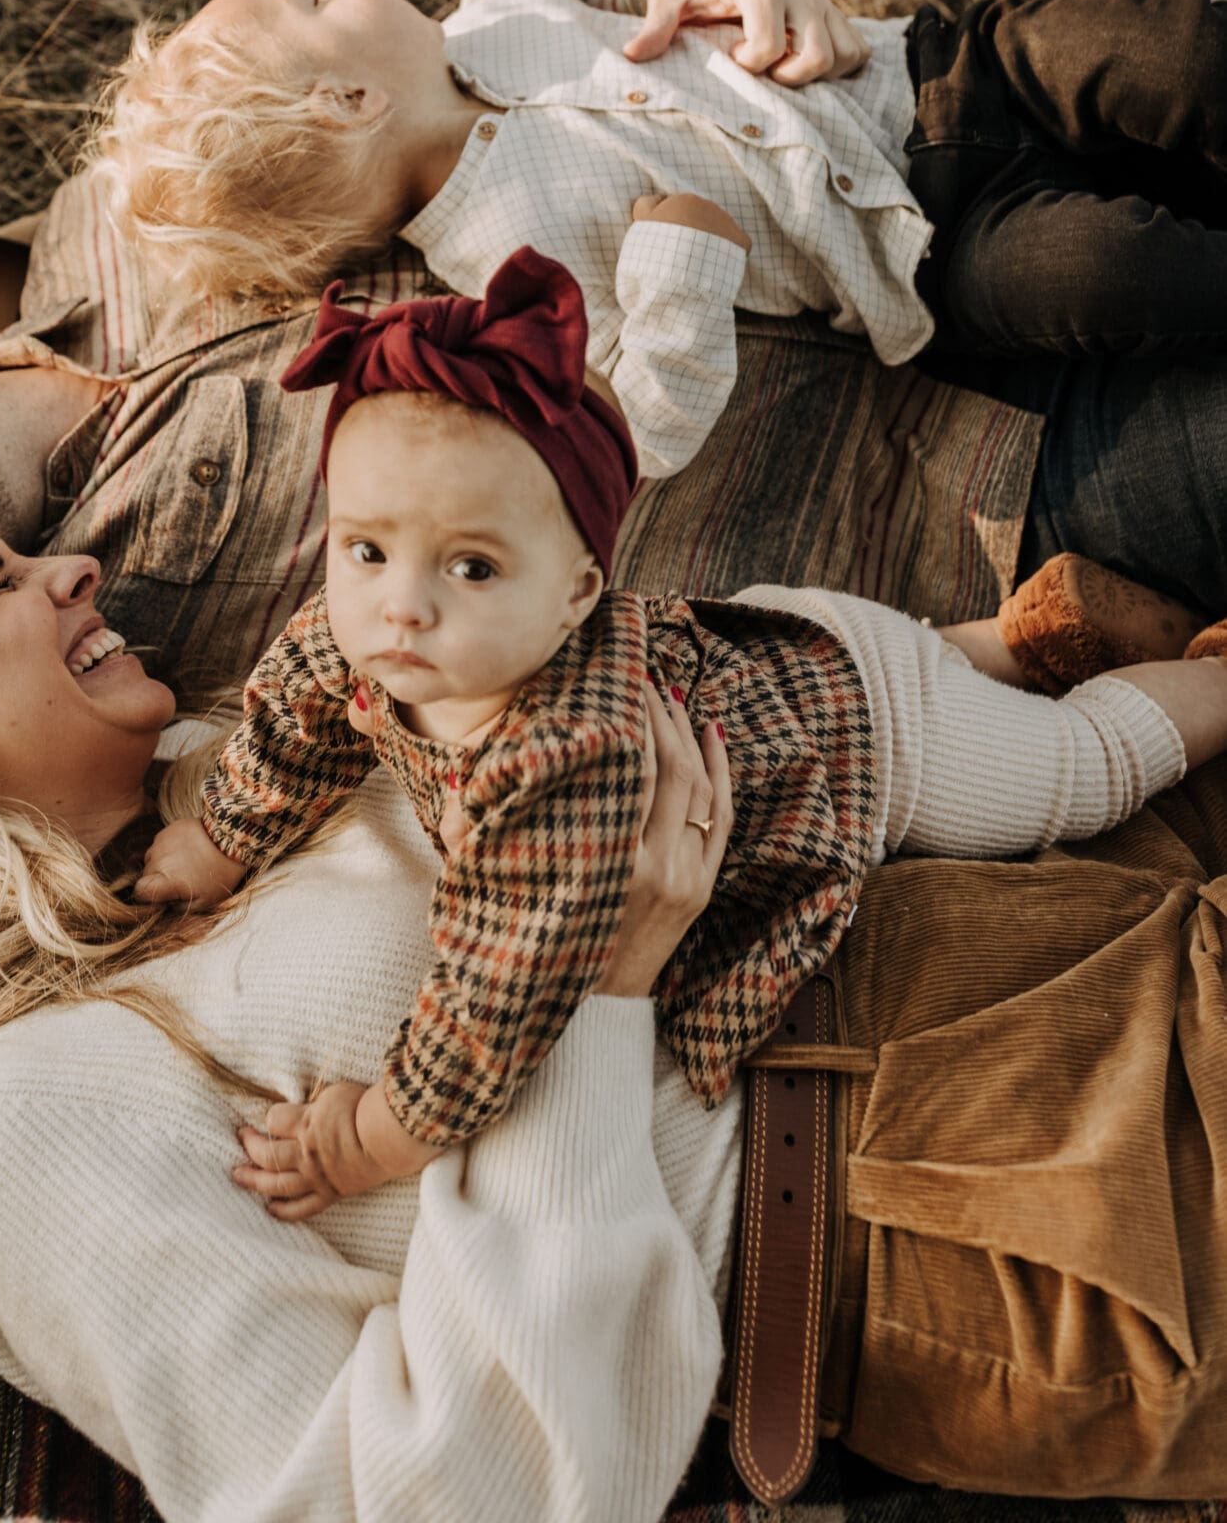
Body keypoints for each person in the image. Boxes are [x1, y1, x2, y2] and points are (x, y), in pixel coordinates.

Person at [0, 499, 1227, 1518]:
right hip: (957, 1193)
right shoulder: (24, 1123)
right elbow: (407, 1497)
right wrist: (602, 993)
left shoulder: (223, 775)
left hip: (1016, 917)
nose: (69, 566)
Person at [136, 247, 1224, 1209]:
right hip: (791, 647)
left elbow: (499, 992)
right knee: (937, 661)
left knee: (1082, 770)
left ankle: (1203, 685)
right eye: (367, 548)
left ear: (577, 595)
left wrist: (373, 1136)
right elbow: (294, 709)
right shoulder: (362, 632)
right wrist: (224, 834)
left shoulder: (563, 758)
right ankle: (1022, 634)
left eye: (472, 566)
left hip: (875, 745)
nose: (403, 603)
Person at [94, 0, 1227, 480]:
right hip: (922, 259)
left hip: (927, 76)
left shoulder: (493, 16)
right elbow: (644, 424)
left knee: (1160, 49)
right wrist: (682, 265)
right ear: (350, 99)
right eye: (314, 4)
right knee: (1116, 271)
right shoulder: (506, 266)